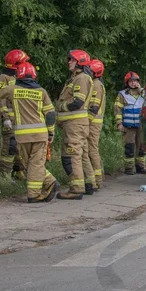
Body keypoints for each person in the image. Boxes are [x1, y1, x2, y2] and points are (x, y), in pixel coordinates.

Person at [0, 62, 58, 203]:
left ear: (19, 75)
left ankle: (42, 187)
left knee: (30, 163)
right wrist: (51, 133)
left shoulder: (13, 89)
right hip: (40, 135)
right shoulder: (42, 92)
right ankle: (42, 187)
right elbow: (50, 115)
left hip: (22, 136)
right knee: (36, 163)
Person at [54, 49, 93, 199]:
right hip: (74, 124)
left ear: (79, 62)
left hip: (75, 124)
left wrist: (60, 107)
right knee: (80, 155)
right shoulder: (74, 78)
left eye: (71, 59)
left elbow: (77, 102)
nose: (68, 62)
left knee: (72, 155)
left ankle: (76, 189)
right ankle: (88, 184)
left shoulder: (81, 79)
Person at [0, 49, 31, 177]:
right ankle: (4, 175)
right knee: (9, 147)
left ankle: (18, 171)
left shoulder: (20, 77)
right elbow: (1, 98)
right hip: (10, 119)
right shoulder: (3, 77)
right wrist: (5, 117)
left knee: (20, 146)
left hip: (21, 118)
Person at [115, 71, 146, 175]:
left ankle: (140, 167)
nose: (133, 83)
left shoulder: (144, 93)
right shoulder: (122, 94)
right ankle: (129, 168)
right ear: (127, 82)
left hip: (141, 125)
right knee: (129, 147)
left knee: (142, 147)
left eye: (135, 81)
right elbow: (117, 109)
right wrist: (119, 123)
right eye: (131, 81)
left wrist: (140, 90)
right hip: (128, 126)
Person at [86, 58, 107, 191]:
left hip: (93, 123)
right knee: (91, 149)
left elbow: (94, 107)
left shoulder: (96, 85)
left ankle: (98, 179)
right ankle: (96, 176)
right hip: (93, 122)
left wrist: (85, 123)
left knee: (92, 149)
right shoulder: (95, 83)